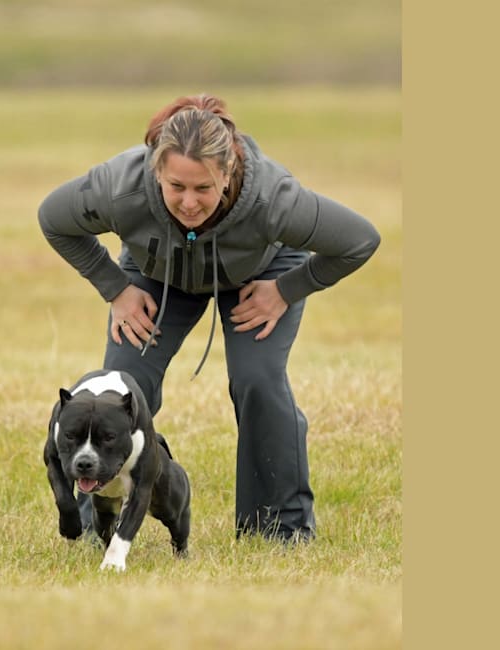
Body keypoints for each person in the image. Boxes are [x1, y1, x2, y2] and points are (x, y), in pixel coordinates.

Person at [38, 94, 380, 544]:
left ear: (229, 172)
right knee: (122, 382)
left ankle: (280, 527)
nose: (189, 202)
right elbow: (53, 218)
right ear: (156, 171)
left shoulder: (272, 198)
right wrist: (116, 288)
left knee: (257, 378)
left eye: (204, 188)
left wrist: (286, 289)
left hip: (259, 277)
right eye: (176, 186)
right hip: (155, 276)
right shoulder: (120, 186)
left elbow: (359, 240)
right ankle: (91, 518)